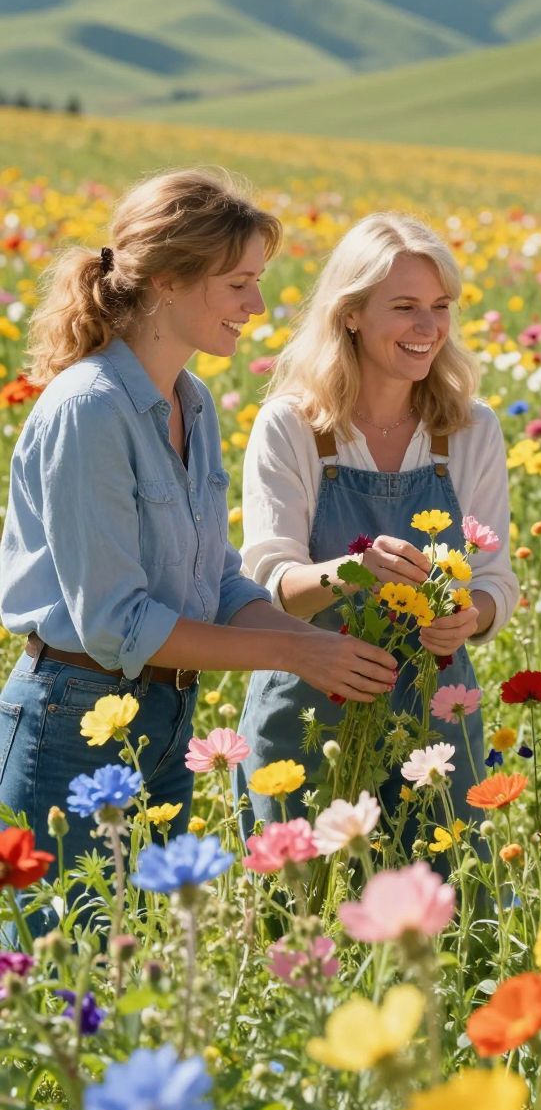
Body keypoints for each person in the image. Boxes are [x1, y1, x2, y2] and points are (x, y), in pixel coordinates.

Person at [0, 171, 397, 859]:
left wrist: (326, 652)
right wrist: (291, 650)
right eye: (238, 283)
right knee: (56, 960)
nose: (259, 303)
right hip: (72, 720)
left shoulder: (196, 403)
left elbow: (217, 581)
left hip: (167, 718)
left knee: (131, 958)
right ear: (169, 280)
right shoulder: (89, 409)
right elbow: (115, 625)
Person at [237, 211, 518, 824]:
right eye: (405, 307)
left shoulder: (470, 429)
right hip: (309, 716)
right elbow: (269, 584)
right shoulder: (294, 426)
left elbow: (495, 579)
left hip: (431, 714)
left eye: (441, 306)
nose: (428, 327)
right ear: (350, 314)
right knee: (301, 913)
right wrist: (352, 571)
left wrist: (470, 618)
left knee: (448, 908)